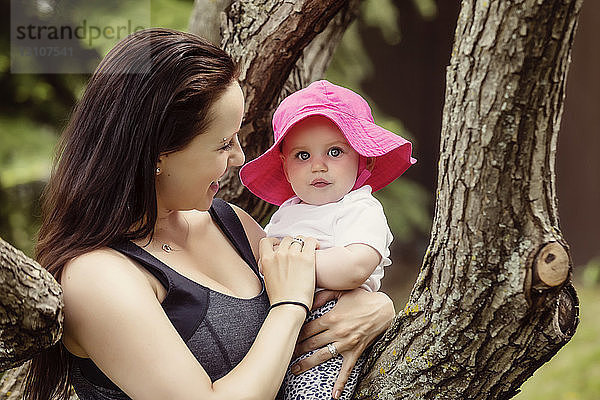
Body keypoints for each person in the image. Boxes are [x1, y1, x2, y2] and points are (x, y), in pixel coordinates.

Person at [22, 29, 396, 400]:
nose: (240, 158)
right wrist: (289, 307)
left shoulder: (232, 225)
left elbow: (335, 294)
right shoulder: (98, 277)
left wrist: (378, 309)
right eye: (223, 144)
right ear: (157, 155)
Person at [240, 80, 416, 400]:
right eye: (302, 155)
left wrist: (286, 262)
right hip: (276, 326)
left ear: (366, 158)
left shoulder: (359, 207)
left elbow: (354, 267)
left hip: (330, 328)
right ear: (285, 166)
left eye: (334, 151)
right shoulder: (285, 214)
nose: (318, 165)